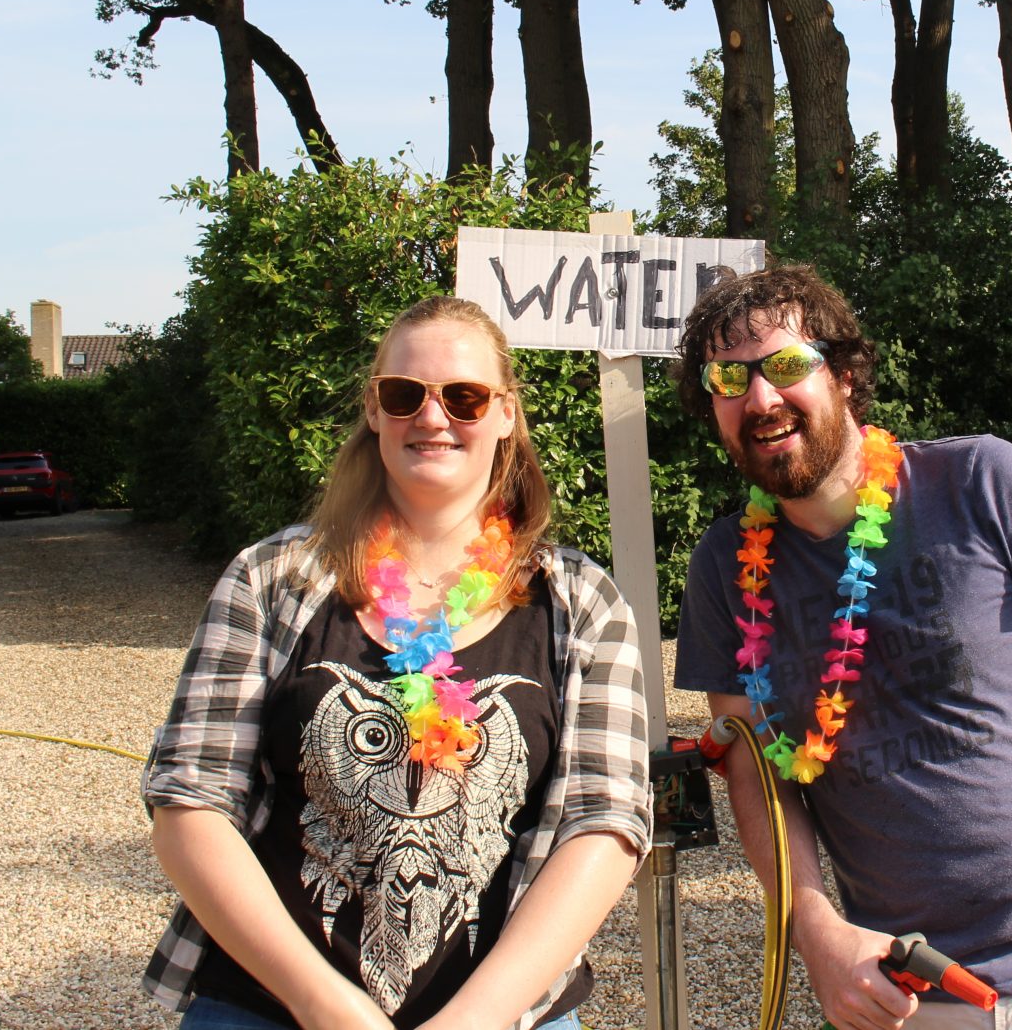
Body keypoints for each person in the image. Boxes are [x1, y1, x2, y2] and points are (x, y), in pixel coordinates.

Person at [673, 267, 1012, 1030]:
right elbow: (756, 777)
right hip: (909, 995)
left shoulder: (984, 481)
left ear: (845, 376)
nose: (760, 398)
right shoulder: (722, 569)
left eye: (787, 365)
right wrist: (817, 932)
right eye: (729, 379)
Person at [141, 296, 651, 1030]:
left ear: (506, 414)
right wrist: (320, 1003)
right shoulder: (272, 579)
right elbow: (189, 802)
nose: (433, 417)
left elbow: (604, 822)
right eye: (405, 393)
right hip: (272, 1008)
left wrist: (475, 1019)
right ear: (374, 410)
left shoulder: (580, 601)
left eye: (465, 397)